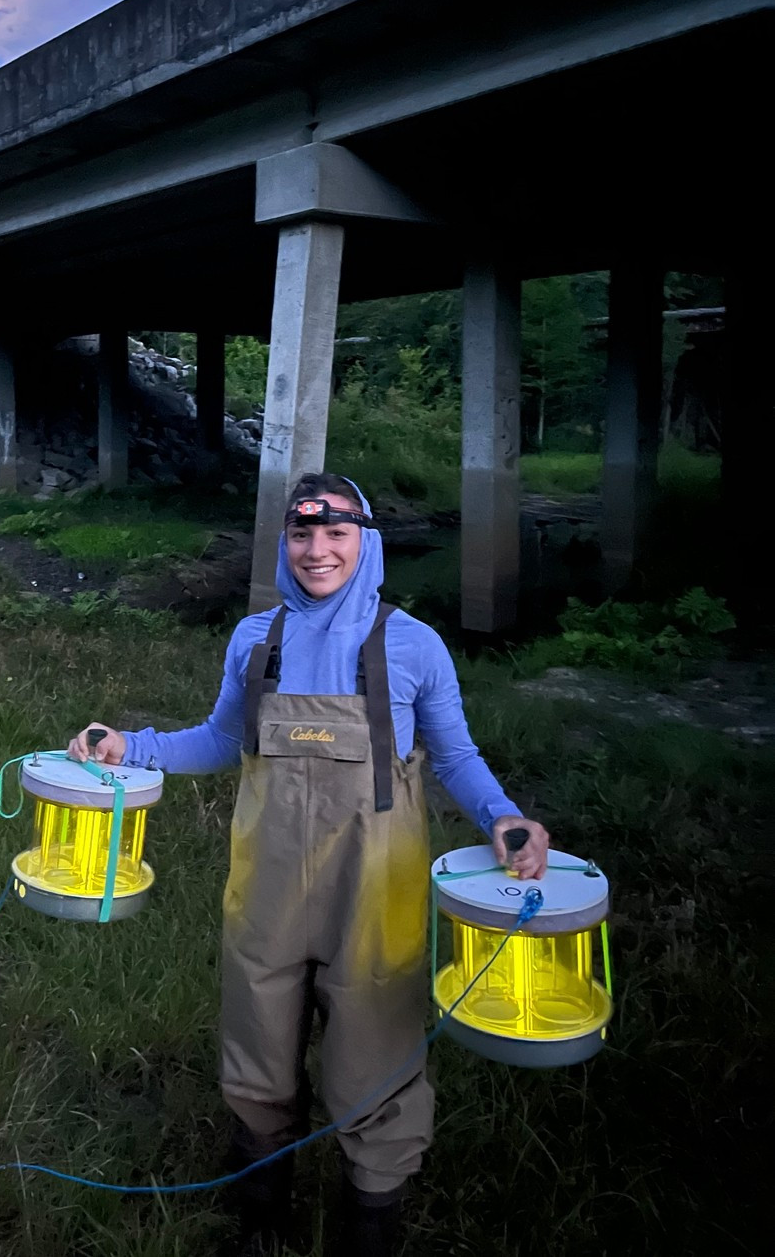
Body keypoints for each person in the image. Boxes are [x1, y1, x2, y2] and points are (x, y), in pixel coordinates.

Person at [69, 472, 548, 1255]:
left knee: (375, 1054)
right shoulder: (256, 639)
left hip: (375, 894)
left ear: (367, 541)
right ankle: (259, 1215)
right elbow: (223, 738)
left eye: (335, 534)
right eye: (301, 533)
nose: (317, 550)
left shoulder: (412, 645)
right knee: (257, 1047)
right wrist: (134, 744)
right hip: (266, 889)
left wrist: (504, 818)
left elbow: (455, 755)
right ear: (285, 541)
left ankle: (371, 1220)